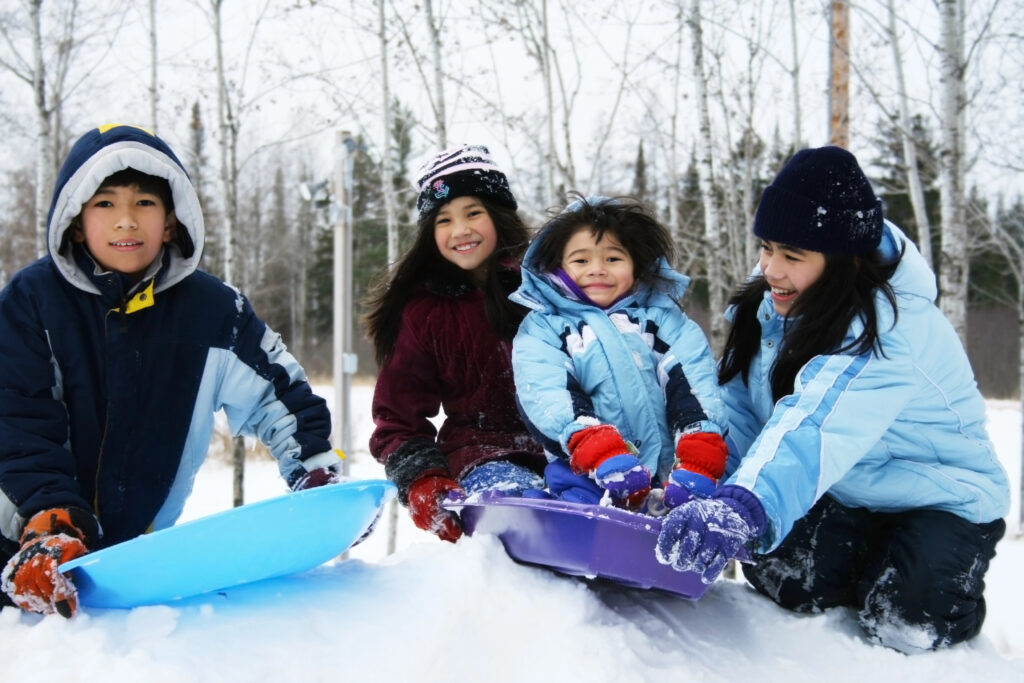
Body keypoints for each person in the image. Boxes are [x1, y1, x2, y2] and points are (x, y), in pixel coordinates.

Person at [655, 146, 1010, 653]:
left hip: (940, 500)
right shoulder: (768, 309)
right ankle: (865, 559)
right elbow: (738, 413)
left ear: (847, 261)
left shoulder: (892, 327)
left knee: (906, 622)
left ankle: (938, 576)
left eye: (793, 256)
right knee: (785, 580)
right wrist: (695, 485)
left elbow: (814, 423)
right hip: (847, 490)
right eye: (767, 247)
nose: (771, 269)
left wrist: (744, 506)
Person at [0, 124, 344, 617]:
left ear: (171, 221)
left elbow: (277, 394)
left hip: (134, 560)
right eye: (105, 204)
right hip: (21, 543)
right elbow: (17, 420)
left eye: (144, 204)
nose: (126, 221)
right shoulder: (32, 302)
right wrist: (48, 521)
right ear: (76, 222)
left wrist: (313, 470)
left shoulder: (214, 311)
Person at [364, 144, 545, 543]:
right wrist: (422, 480)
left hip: (572, 452)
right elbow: (397, 418)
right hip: (482, 455)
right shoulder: (424, 312)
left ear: (499, 216)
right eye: (443, 220)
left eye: (473, 213)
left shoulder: (547, 289)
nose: (460, 230)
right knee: (521, 516)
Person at [510, 195, 728, 511]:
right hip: (587, 466)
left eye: (613, 259)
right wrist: (594, 444)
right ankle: (562, 522)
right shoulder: (546, 328)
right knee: (576, 494)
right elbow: (546, 389)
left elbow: (694, 379)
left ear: (636, 264)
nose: (597, 270)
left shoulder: (663, 320)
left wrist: (699, 442)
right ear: (558, 267)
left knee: (698, 504)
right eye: (581, 261)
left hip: (669, 470)